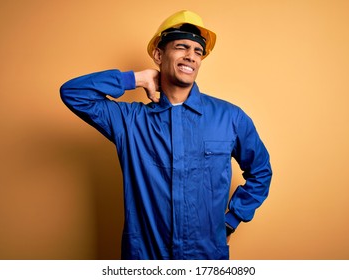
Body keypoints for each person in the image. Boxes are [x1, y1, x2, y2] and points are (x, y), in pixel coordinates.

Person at [60, 10, 272, 260]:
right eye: (182, 47)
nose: (191, 57)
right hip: (146, 258)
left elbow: (261, 172)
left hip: (206, 259)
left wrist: (232, 219)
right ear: (159, 55)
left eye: (198, 51)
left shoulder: (230, 118)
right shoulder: (130, 121)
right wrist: (136, 78)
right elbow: (74, 93)